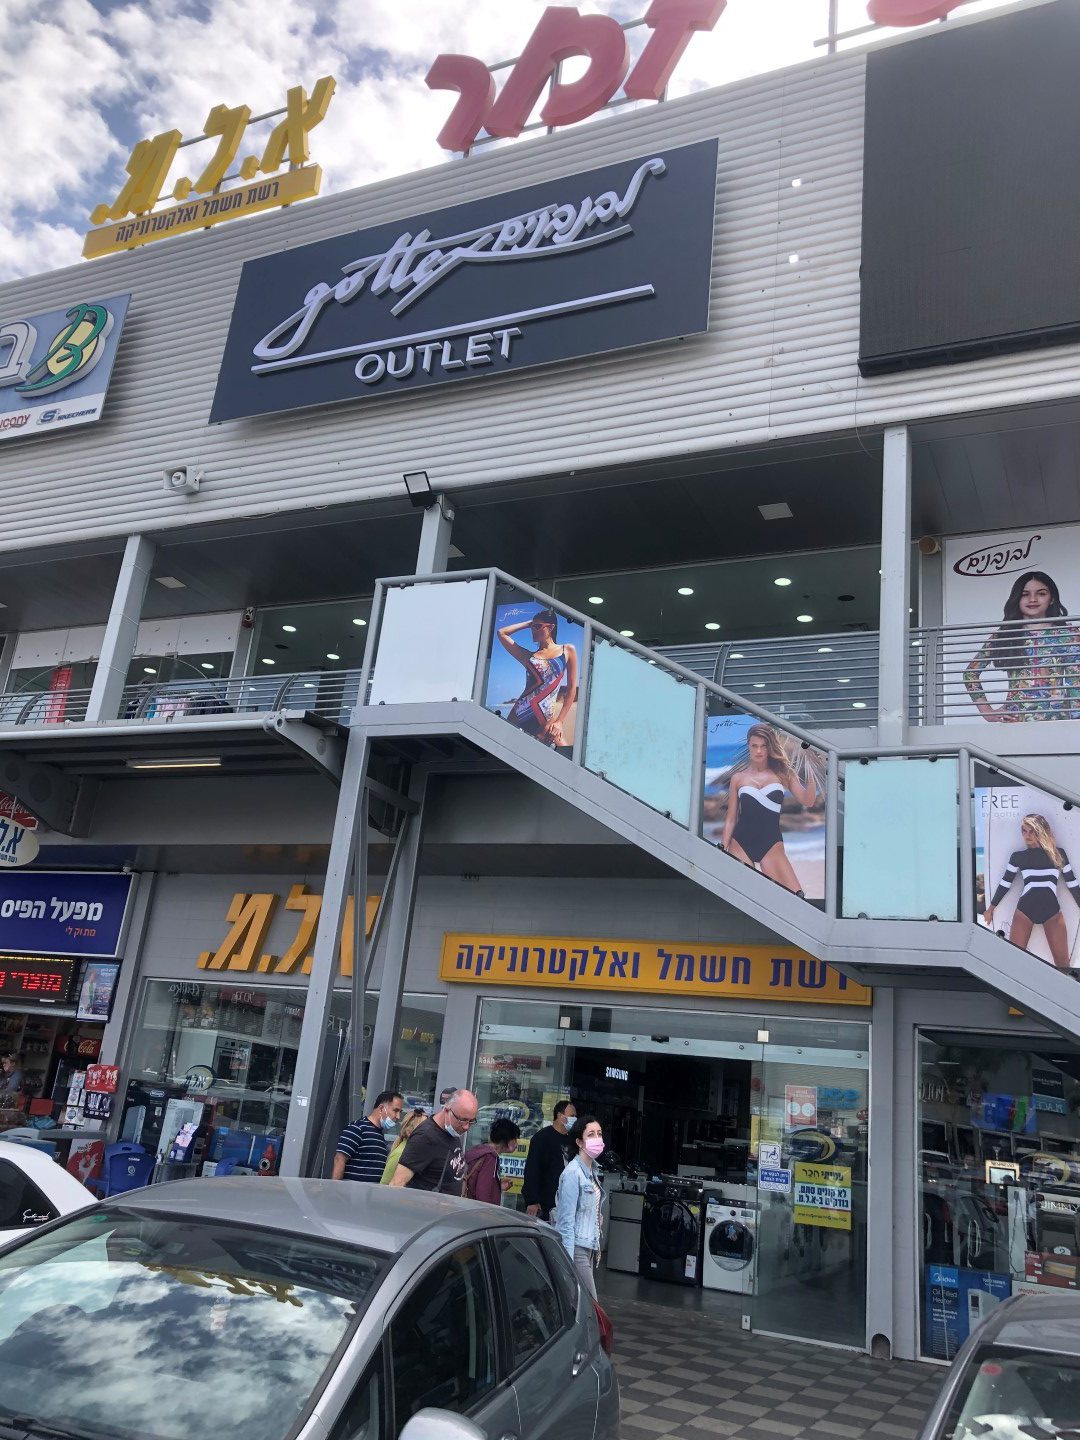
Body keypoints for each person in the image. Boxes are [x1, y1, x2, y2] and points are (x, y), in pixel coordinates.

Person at [964, 571, 1080, 722]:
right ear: (1017, 598)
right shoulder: (1005, 635)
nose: (1033, 599)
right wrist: (988, 712)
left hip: (1057, 721)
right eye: (1025, 594)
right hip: (1015, 721)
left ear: (1052, 598)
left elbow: (1075, 683)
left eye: (1041, 593)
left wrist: (1075, 724)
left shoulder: (1068, 634)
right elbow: (970, 673)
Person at [721, 723, 819, 895]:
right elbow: (731, 818)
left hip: (771, 844)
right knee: (747, 896)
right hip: (740, 843)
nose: (759, 751)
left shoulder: (783, 773)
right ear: (749, 746)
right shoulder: (738, 778)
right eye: (754, 746)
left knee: (795, 896)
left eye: (764, 746)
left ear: (769, 747)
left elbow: (808, 801)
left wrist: (812, 771)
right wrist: (723, 847)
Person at [985, 814, 1080, 971]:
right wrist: (991, 908)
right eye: (1024, 831)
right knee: (1014, 963)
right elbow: (1005, 883)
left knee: (1063, 966)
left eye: (1032, 831)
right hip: (1024, 912)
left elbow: (1072, 883)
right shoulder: (1018, 857)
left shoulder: (1058, 854)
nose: (1027, 835)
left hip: (1052, 913)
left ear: (1042, 831)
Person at [497, 608, 578, 748]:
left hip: (545, 720)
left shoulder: (567, 650)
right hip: (520, 713)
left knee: (564, 754)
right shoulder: (528, 657)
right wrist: (529, 623)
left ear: (551, 627)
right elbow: (501, 633)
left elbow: (571, 689)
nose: (533, 630)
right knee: (507, 752)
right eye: (532, 627)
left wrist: (560, 721)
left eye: (538, 626)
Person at [554, 1115, 606, 1301]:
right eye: (591, 1134)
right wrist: (566, 1263)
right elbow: (566, 1222)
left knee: (582, 1304)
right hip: (577, 1249)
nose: (597, 1139)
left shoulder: (592, 1171)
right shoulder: (572, 1174)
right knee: (591, 1304)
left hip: (589, 1247)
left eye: (599, 1133)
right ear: (579, 1142)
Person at [390, 1088, 479, 1193]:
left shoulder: (452, 1131)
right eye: (463, 1120)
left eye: (471, 1121)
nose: (466, 1127)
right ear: (447, 1110)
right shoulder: (425, 1137)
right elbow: (396, 1184)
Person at [331, 1090, 403, 1183]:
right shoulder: (357, 1128)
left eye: (400, 1112)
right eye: (395, 1110)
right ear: (381, 1108)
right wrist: (335, 1188)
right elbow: (339, 1159)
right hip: (351, 1191)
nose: (398, 1116)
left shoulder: (380, 1136)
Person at [521, 1099, 576, 1220]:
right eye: (572, 1116)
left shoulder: (571, 1141)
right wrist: (532, 1200)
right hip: (546, 1203)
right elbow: (532, 1170)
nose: (574, 1119)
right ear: (560, 1116)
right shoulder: (542, 1138)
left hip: (566, 1203)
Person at [464, 1117, 521, 1204]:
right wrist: (488, 1212)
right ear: (506, 1140)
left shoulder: (480, 1150)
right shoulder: (490, 1157)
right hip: (479, 1209)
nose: (516, 1144)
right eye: (515, 1139)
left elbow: (478, 1182)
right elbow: (482, 1193)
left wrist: (497, 1185)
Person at [380, 1107, 427, 1184]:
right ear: (409, 1132)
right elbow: (384, 1185)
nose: (428, 1135)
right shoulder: (400, 1155)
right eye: (423, 1132)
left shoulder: (415, 1152)